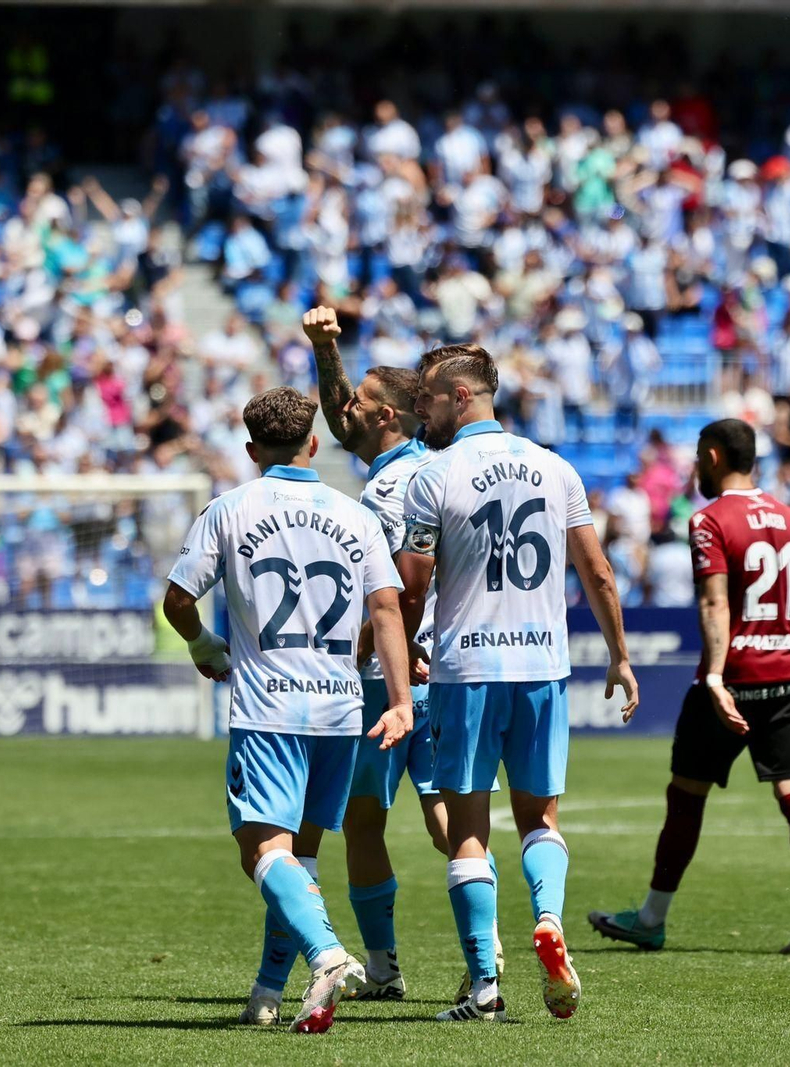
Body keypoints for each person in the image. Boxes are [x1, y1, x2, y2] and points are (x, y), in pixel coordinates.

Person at [161, 386, 414, 1034]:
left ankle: (327, 952)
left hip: (270, 705)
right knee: (298, 858)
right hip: (339, 706)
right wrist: (401, 700)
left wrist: (202, 642)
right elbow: (387, 608)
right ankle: (267, 992)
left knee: (261, 853)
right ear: (313, 443)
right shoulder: (353, 513)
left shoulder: (229, 508)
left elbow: (179, 599)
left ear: (250, 450)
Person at [398, 345, 639, 1022]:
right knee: (541, 818)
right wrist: (619, 654)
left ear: (463, 396)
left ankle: (484, 989)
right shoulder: (555, 467)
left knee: (468, 831)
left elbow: (413, 586)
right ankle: (551, 918)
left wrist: (400, 649)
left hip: (466, 669)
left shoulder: (432, 475)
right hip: (542, 668)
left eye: (428, 397)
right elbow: (597, 572)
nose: (422, 408)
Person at [301, 306, 503, 1004]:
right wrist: (328, 351)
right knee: (451, 813)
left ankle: (383, 967)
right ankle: (489, 948)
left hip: (389, 673)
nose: (343, 415)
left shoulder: (391, 485)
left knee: (362, 817)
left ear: (386, 417)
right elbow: (337, 410)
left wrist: (379, 654)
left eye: (359, 405)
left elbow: (397, 588)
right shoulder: (442, 469)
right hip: (443, 669)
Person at [589, 419, 790, 954]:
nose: (696, 468)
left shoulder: (708, 520)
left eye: (700, 458)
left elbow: (713, 603)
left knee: (686, 794)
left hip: (731, 677)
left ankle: (651, 918)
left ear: (716, 456)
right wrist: (778, 642)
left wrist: (719, 676)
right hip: (788, 674)